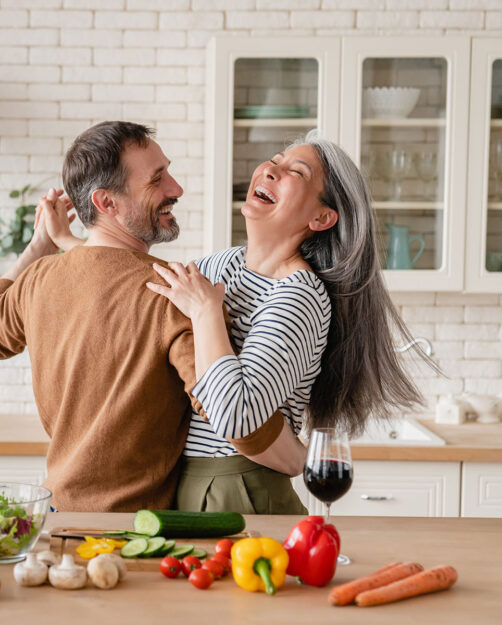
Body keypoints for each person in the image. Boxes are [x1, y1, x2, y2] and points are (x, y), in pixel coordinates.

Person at [0, 121, 286, 512]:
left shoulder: (39, 279)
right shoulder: (170, 293)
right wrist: (305, 458)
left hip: (56, 518)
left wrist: (38, 247)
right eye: (156, 180)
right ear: (107, 203)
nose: (176, 189)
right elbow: (238, 421)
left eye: (167, 170)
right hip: (132, 534)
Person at [140, 130, 432, 513]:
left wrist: (207, 313)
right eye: (274, 160)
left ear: (321, 217)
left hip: (241, 489)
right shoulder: (218, 265)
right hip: (183, 481)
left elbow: (236, 417)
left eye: (296, 171)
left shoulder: (299, 296)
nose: (270, 171)